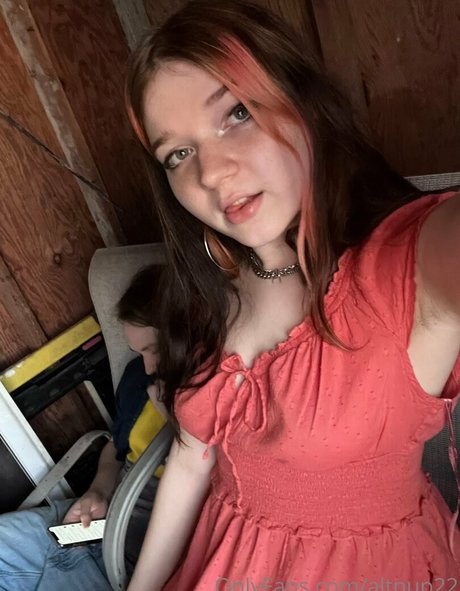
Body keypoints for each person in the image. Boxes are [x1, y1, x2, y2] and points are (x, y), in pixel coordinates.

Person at [125, 0, 460, 589]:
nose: (209, 173)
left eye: (236, 113)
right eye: (177, 153)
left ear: (303, 102)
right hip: (213, 563)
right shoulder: (209, 287)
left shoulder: (402, 268)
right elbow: (191, 460)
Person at [0, 265, 166, 591]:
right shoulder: (138, 378)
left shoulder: (219, 403)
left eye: (155, 350)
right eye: (139, 353)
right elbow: (115, 448)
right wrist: (99, 490)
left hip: (128, 561)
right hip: (92, 524)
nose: (148, 367)